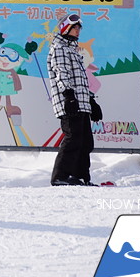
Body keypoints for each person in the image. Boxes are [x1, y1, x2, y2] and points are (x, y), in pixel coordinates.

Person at [47, 13, 96, 186]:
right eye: (74, 27)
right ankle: (60, 177)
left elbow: (80, 80)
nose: (78, 31)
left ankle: (79, 176)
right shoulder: (59, 48)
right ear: (65, 28)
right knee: (73, 138)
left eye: (79, 28)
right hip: (69, 102)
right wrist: (68, 95)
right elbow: (62, 73)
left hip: (80, 102)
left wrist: (91, 101)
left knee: (85, 141)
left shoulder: (72, 50)